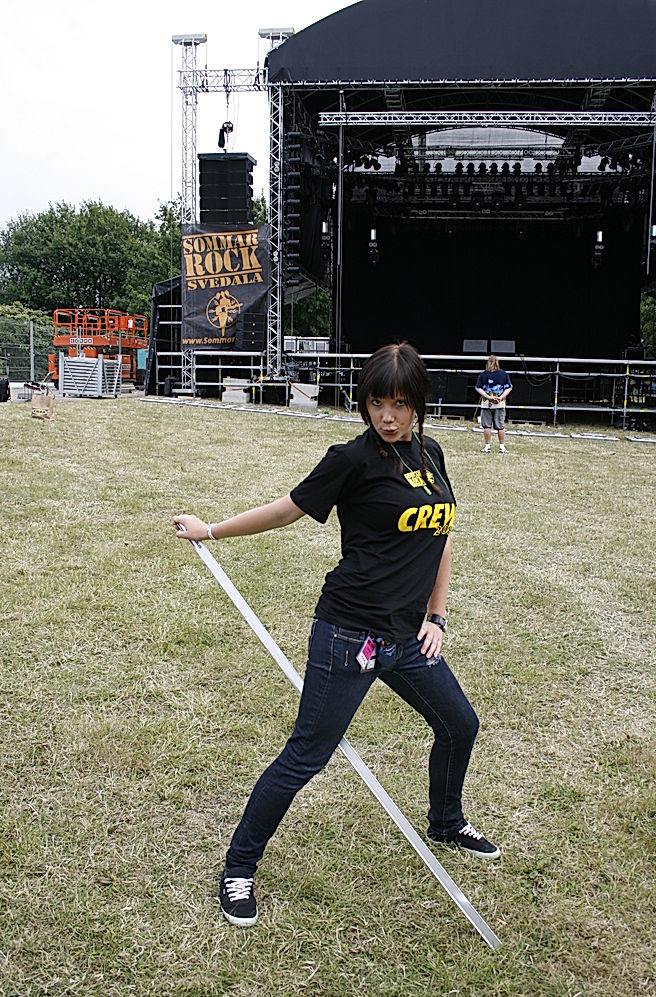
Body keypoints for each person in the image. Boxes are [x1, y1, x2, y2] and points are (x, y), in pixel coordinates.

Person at [173, 342, 499, 929]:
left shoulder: (431, 453)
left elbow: (442, 536)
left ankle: (447, 824)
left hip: (407, 638)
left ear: (418, 402)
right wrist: (212, 530)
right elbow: (286, 510)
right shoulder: (351, 460)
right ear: (365, 404)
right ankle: (238, 869)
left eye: (400, 403)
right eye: (377, 403)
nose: (389, 416)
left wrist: (436, 616)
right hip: (350, 635)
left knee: (459, 724)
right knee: (307, 756)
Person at [475, 355, 513, 453]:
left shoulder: (483, 375)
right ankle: (502, 447)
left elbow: (478, 388)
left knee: (487, 426)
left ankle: (487, 447)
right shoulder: (504, 374)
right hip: (500, 403)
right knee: (500, 426)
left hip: (486, 403)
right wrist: (500, 397)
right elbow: (509, 387)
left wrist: (488, 397)